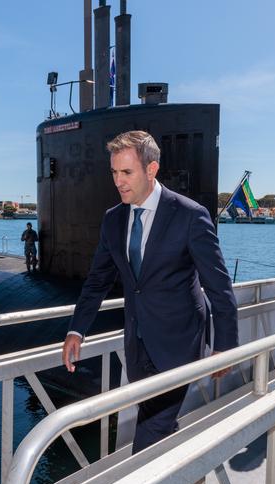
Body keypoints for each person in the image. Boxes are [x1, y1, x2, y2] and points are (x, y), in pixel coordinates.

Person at [61, 130, 238, 453]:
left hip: (179, 340)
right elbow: (98, 280)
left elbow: (218, 283)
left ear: (151, 169)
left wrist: (225, 346)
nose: (118, 181)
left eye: (126, 172)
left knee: (151, 427)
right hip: (137, 341)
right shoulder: (113, 220)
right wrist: (77, 329)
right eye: (114, 172)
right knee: (154, 416)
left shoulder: (189, 215)